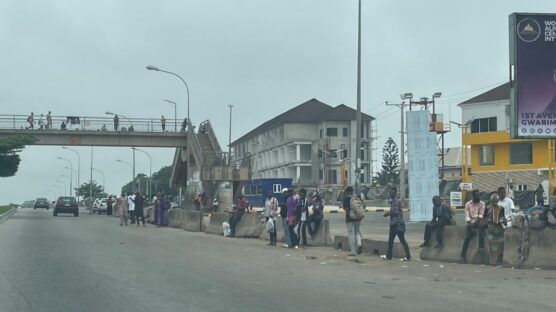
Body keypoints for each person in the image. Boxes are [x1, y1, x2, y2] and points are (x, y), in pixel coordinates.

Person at [382, 187, 411, 261]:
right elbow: (390, 202)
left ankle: (406, 255)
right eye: (390, 192)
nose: (390, 194)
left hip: (396, 224)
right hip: (394, 224)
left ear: (395, 193)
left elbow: (395, 212)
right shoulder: (393, 200)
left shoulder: (395, 201)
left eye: (392, 192)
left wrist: (387, 214)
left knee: (400, 240)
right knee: (393, 241)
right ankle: (390, 256)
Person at [459, 189, 486, 264]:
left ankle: (481, 247)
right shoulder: (467, 204)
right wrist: (471, 223)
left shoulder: (482, 203)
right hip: (470, 222)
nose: (479, 197)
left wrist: (475, 222)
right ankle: (462, 256)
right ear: (473, 196)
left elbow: (481, 214)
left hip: (478, 221)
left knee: (481, 227)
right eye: (477, 195)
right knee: (467, 237)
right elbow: (467, 216)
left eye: (479, 195)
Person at [485, 193, 507, 267]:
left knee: (500, 245)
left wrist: (503, 220)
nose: (495, 201)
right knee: (493, 246)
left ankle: (499, 261)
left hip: (499, 227)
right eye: (493, 200)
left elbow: (503, 217)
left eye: (496, 200)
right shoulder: (488, 208)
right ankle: (494, 262)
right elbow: (485, 219)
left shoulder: (501, 208)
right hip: (491, 228)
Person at [343, 186, 362, 256]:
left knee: (351, 234)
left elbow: (345, 208)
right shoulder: (357, 198)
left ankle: (353, 251)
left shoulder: (346, 199)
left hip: (350, 219)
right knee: (357, 233)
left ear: (347, 192)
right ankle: (359, 244)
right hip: (358, 218)